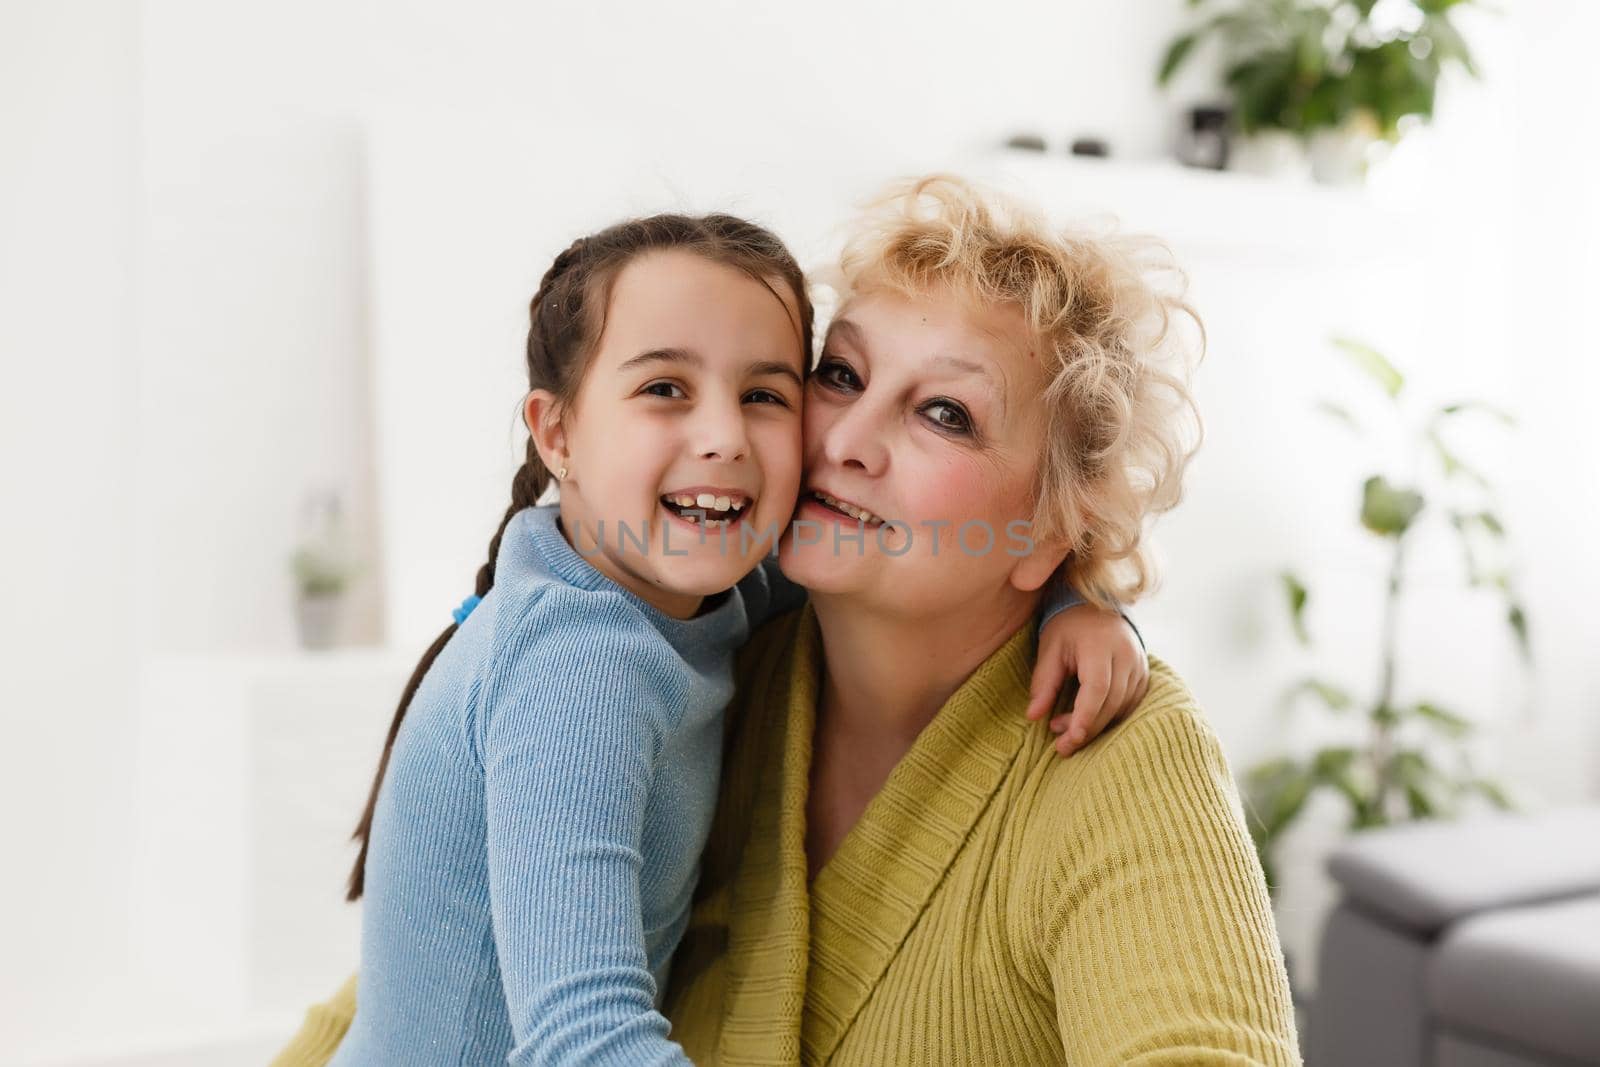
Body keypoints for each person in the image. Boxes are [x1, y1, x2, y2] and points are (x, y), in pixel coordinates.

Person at [301, 209, 1148, 1066]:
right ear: (558, 434)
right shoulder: (579, 666)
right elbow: (582, 1039)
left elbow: (932, 548)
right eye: (664, 388)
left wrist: (1077, 596)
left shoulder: (704, 583)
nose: (723, 437)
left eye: (765, 395)